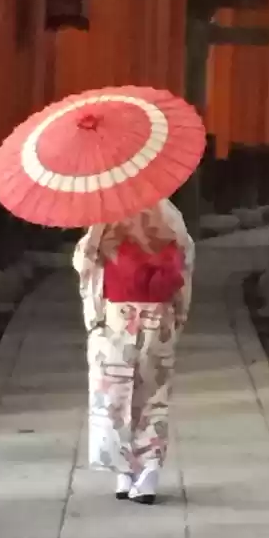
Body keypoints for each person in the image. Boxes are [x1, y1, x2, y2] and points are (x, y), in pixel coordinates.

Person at [72, 197, 195, 504]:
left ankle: (124, 470)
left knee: (115, 397)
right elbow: (185, 265)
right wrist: (179, 315)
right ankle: (148, 471)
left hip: (116, 321)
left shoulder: (105, 214)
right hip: (159, 320)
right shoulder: (170, 218)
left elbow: (86, 266)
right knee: (153, 395)